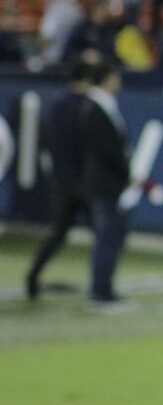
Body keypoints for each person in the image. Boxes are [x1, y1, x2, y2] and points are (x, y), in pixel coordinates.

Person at [26, 55, 132, 305]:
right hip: (85, 181)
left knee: (59, 233)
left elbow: (45, 141)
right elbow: (92, 145)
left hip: (61, 179)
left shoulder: (56, 103)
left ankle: (32, 277)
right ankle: (101, 287)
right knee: (106, 234)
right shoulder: (88, 106)